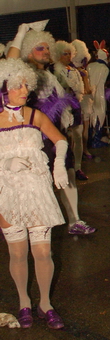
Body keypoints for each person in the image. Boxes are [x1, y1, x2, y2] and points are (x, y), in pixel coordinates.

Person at [7, 24, 96, 236]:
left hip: (54, 135)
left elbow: (62, 104)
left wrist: (65, 129)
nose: (46, 52)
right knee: (28, 182)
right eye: (40, 48)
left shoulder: (51, 75)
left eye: (47, 48)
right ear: (28, 52)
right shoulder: (23, 75)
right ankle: (17, 222)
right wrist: (20, 33)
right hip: (30, 138)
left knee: (68, 174)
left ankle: (74, 220)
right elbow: (10, 62)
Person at [0, 58, 69, 329]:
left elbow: (60, 140)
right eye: (19, 85)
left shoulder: (33, 115)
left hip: (37, 191)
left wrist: (60, 164)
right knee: (17, 254)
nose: (25, 89)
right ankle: (23, 302)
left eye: (27, 84)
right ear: (4, 87)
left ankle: (45, 304)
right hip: (7, 193)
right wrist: (4, 163)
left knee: (43, 252)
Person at [53, 40, 87, 181]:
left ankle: (77, 167)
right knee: (64, 138)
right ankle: (65, 167)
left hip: (74, 105)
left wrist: (77, 94)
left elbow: (81, 88)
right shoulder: (54, 71)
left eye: (69, 54)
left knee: (78, 136)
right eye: (64, 54)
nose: (67, 56)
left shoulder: (74, 71)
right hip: (60, 108)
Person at [72, 40, 94, 161]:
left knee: (76, 130)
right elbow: (87, 90)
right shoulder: (82, 72)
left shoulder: (71, 71)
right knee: (83, 128)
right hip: (82, 102)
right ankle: (83, 150)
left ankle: (78, 152)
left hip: (75, 102)